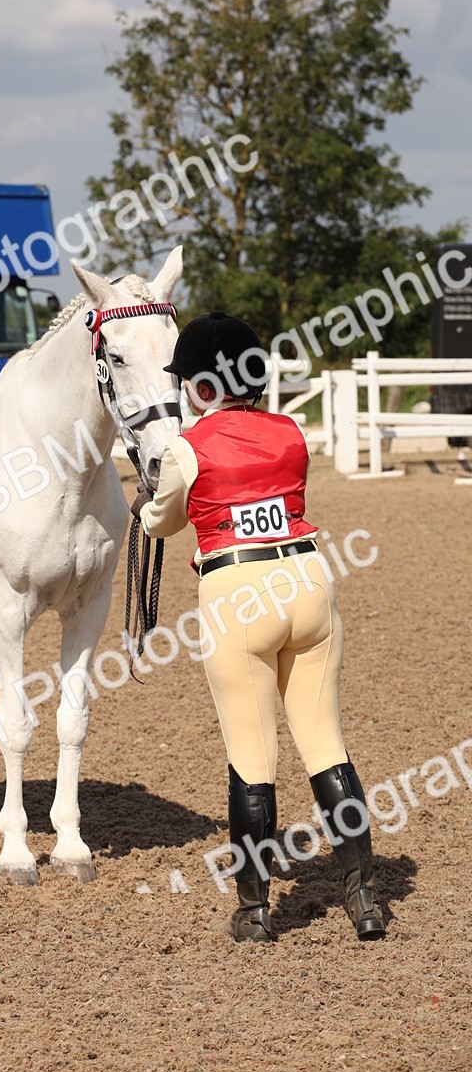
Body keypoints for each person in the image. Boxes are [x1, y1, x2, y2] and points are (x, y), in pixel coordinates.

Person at [133, 311, 385, 943]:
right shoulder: (291, 432)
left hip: (236, 593)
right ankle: (364, 899)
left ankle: (254, 911)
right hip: (307, 582)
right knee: (326, 746)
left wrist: (148, 496)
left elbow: (161, 524)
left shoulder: (186, 448)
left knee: (252, 756)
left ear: (199, 386)